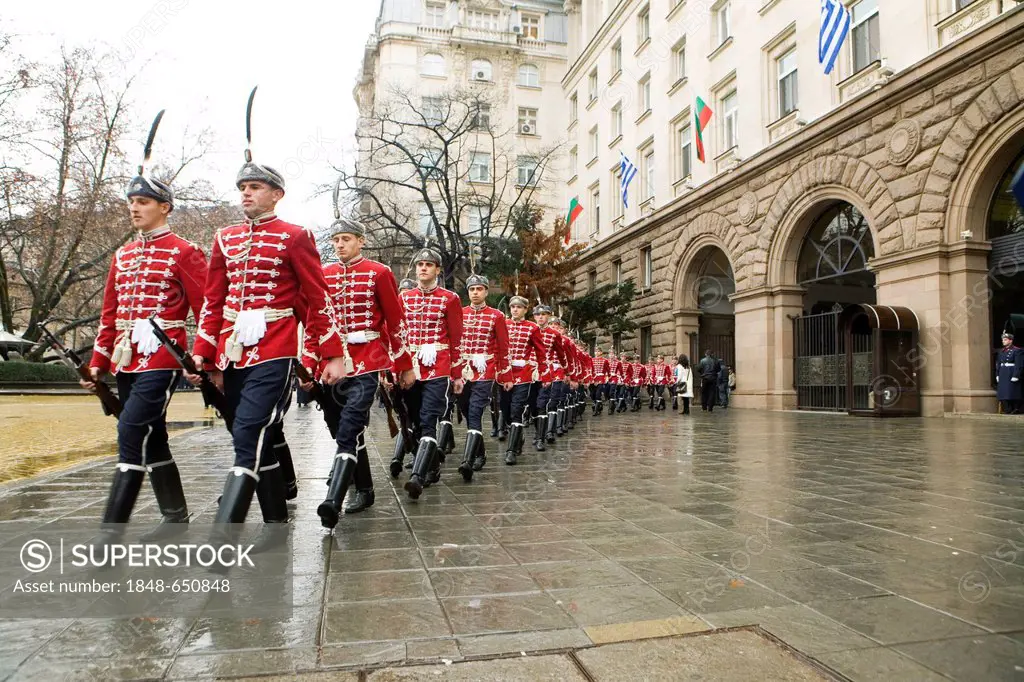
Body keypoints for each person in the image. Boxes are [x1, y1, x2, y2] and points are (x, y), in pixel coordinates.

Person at [187, 146, 347, 543]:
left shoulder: (295, 237)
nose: (245, 194)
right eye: (242, 187)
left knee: (249, 435)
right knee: (256, 437)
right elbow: (213, 301)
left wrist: (332, 353)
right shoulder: (224, 238)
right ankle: (276, 523)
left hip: (275, 350)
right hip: (232, 351)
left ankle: (221, 542)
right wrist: (204, 356)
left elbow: (315, 297)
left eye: (255, 187)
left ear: (277, 193)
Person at [83, 119, 207, 544]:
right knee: (152, 434)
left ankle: (111, 532)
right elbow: (110, 314)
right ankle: (175, 516)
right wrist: (98, 364)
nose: (134, 208)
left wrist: (204, 358)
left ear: (164, 207)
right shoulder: (123, 255)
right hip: (126, 355)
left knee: (130, 428)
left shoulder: (185, 252)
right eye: (131, 201)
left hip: (163, 355)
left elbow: (206, 309)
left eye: (143, 201)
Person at [301, 218, 414, 529]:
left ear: (361, 241)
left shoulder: (379, 273)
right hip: (333, 362)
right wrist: (308, 363)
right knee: (339, 427)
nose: (340, 244)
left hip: (369, 360)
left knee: (351, 423)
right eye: (336, 239)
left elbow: (395, 321)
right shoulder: (323, 274)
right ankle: (363, 487)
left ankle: (333, 499)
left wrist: (403, 364)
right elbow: (314, 324)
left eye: (346, 238)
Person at [398, 248, 464, 499]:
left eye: (429, 264)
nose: (423, 268)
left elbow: (456, 338)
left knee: (428, 419)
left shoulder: (450, 299)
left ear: (438, 270)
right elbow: (397, 333)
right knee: (413, 419)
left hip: (438, 365)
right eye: (420, 264)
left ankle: (417, 476)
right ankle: (432, 465)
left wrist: (457, 374)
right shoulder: (404, 298)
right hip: (411, 367)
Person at [456, 274, 511, 480]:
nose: (475, 293)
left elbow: (503, 346)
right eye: (472, 289)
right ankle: (480, 452)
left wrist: (505, 374)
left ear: (486, 291)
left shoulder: (496, 315)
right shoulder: (460, 313)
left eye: (479, 289)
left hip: (484, 368)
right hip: (463, 369)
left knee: (475, 410)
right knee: (464, 409)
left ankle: (467, 461)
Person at [502, 296, 550, 463]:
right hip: (504, 373)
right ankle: (517, 436)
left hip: (523, 373)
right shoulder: (503, 324)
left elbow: (541, 352)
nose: (515, 309)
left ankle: (511, 450)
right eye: (512, 306)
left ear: (525, 310)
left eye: (519, 307)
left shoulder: (532, 328)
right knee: (505, 410)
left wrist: (545, 374)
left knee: (517, 409)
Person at [533, 305, 568, 446]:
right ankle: (539, 432)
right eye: (537, 314)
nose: (555, 327)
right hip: (530, 372)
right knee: (531, 406)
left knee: (549, 402)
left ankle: (547, 432)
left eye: (557, 325)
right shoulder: (530, 330)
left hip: (552, 372)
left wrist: (569, 374)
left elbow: (565, 357)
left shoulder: (557, 337)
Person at [995, 331, 1023, 414]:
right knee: (1004, 392)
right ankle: (1007, 408)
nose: (1003, 341)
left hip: (1011, 372)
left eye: (1005, 339)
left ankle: (1015, 408)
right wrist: (997, 374)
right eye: (1003, 339)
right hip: (1003, 373)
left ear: (1010, 340)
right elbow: (998, 363)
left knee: (1012, 391)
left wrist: (1016, 375)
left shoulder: (1017, 350)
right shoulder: (1001, 351)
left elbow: (1019, 364)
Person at [590, 347, 609, 415]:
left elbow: (607, 370)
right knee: (592, 394)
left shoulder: (605, 360)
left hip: (601, 378)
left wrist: (606, 378)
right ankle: (598, 404)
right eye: (595, 351)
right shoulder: (591, 360)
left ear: (601, 352)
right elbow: (590, 370)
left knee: (598, 394)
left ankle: (596, 410)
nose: (597, 353)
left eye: (598, 351)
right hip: (593, 378)